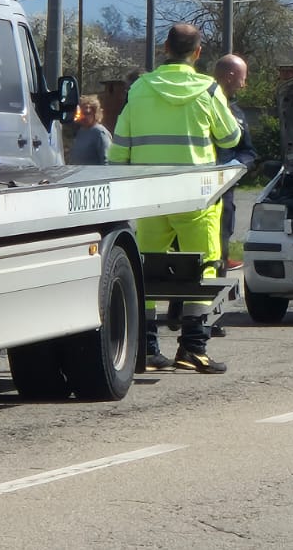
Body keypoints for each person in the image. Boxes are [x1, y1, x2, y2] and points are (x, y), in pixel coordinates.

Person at [108, 24, 242, 373]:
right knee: (204, 266)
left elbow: (119, 148)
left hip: (151, 194)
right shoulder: (208, 89)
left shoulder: (139, 89)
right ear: (197, 53)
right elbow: (230, 138)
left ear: (164, 48)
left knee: (148, 267)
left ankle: (148, 348)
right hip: (195, 196)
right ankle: (193, 348)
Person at [212, 54, 257, 270]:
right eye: (243, 78)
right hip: (198, 183)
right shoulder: (202, 104)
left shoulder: (237, 112)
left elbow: (248, 151)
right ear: (230, 76)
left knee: (223, 226)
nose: (244, 83)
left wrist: (235, 168)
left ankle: (223, 259)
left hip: (225, 187)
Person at [69, 94, 111, 165]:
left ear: (95, 113)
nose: (83, 117)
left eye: (87, 113)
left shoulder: (100, 133)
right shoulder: (80, 132)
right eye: (81, 113)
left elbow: (107, 161)